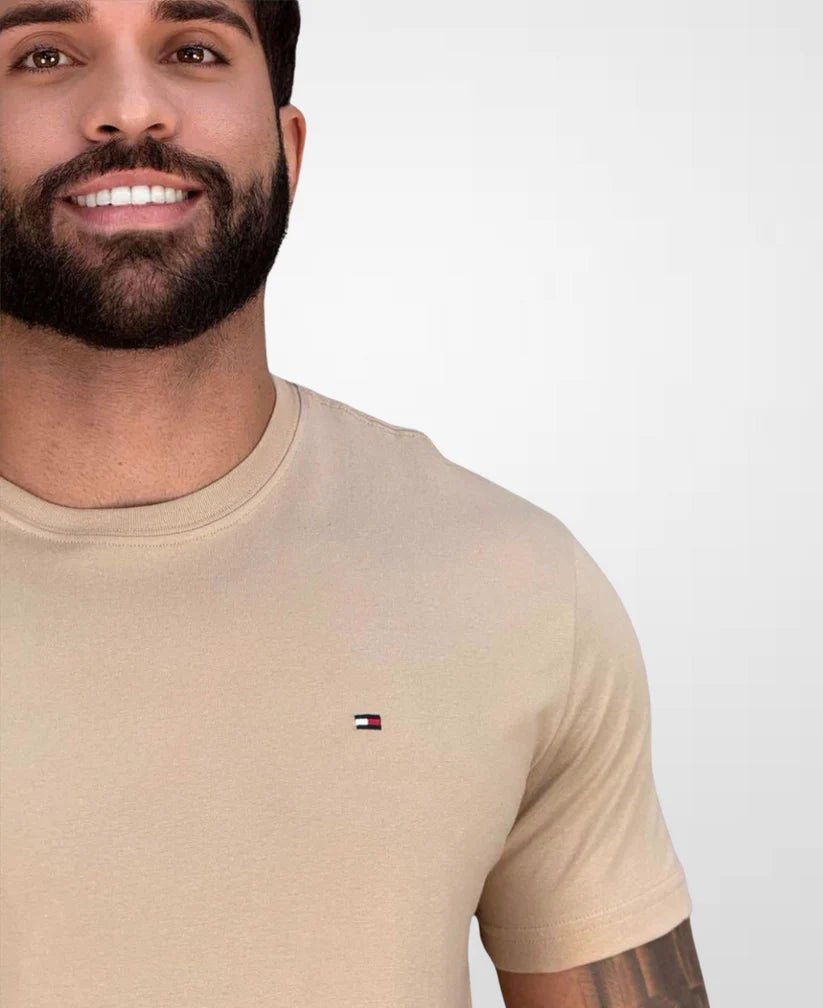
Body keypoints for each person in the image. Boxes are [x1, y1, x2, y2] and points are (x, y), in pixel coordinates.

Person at [0, 2, 709, 1005]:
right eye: (42, 54)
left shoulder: (510, 587)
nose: (129, 106)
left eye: (194, 49)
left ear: (287, 151)